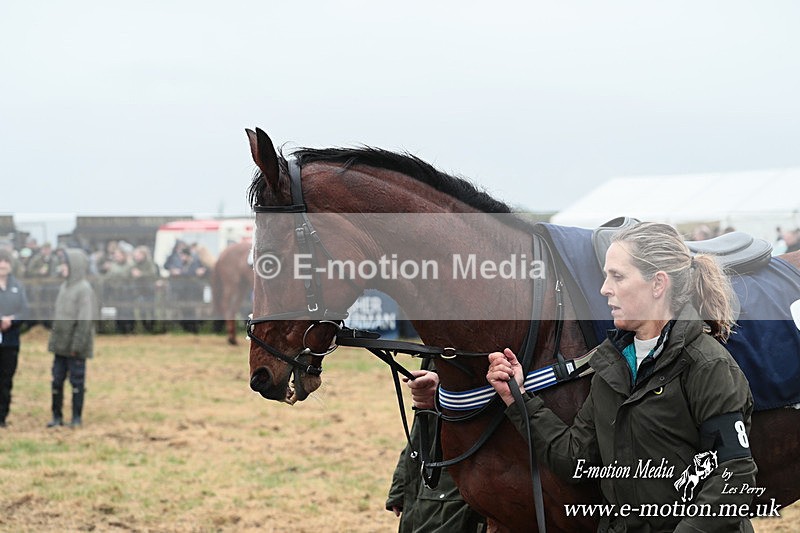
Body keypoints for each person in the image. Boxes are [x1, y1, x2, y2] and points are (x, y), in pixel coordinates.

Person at [478, 222, 758, 532]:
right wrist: (516, 397)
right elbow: (575, 458)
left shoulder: (708, 365)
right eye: (606, 275)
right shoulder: (611, 366)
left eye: (618, 276)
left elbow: (736, 475)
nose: (604, 289)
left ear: (658, 284)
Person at [386, 361, 486, 533]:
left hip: (463, 479)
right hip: (426, 482)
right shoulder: (439, 340)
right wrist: (402, 484)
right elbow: (422, 424)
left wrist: (446, 391)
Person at [47, 248, 96, 428]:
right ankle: (56, 416)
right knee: (56, 380)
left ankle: (76, 418)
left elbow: (85, 320)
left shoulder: (84, 289)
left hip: (75, 346)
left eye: (65, 264)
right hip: (60, 344)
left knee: (77, 381)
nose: (62, 267)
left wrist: (77, 345)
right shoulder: (64, 286)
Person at [0, 249, 29, 427]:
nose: (2, 265)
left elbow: (24, 310)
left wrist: (12, 320)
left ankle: (2, 416)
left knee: (6, 379)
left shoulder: (17, 286)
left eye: (6, 261)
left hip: (10, 341)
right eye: (0, 261)